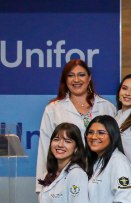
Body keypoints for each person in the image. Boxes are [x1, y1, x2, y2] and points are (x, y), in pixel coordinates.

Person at [36, 59, 116, 192]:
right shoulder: (54, 109)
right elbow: (45, 149)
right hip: (65, 179)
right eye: (71, 75)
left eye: (81, 75)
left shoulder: (107, 107)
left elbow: (115, 147)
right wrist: (43, 187)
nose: (76, 80)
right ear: (65, 80)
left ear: (89, 78)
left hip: (101, 178)